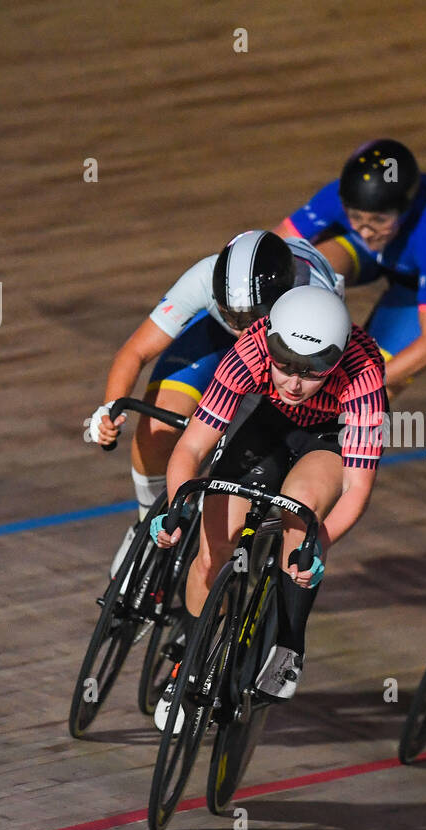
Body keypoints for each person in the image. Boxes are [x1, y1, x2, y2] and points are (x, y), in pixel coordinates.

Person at [148, 286, 387, 732]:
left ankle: (289, 641)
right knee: (211, 552)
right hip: (267, 423)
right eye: (286, 366)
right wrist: (179, 507)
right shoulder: (252, 348)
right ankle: (190, 662)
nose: (295, 382)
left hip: (328, 437)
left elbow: (356, 487)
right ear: (271, 345)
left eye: (312, 372)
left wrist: (319, 545)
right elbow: (192, 447)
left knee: (301, 514)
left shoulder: (363, 373)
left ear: (336, 361)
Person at [82, 229, 342, 576]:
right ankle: (147, 526)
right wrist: (108, 408)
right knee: (158, 426)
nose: (243, 331)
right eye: (232, 317)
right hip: (213, 342)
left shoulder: (310, 303)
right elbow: (136, 350)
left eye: (251, 321)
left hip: (283, 352)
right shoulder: (204, 277)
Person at [276, 138, 426, 393]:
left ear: (405, 211)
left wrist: (359, 387)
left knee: (377, 380)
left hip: (417, 279)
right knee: (302, 269)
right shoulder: (337, 198)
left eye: (379, 220)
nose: (367, 231)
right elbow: (273, 247)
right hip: (368, 251)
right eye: (356, 217)